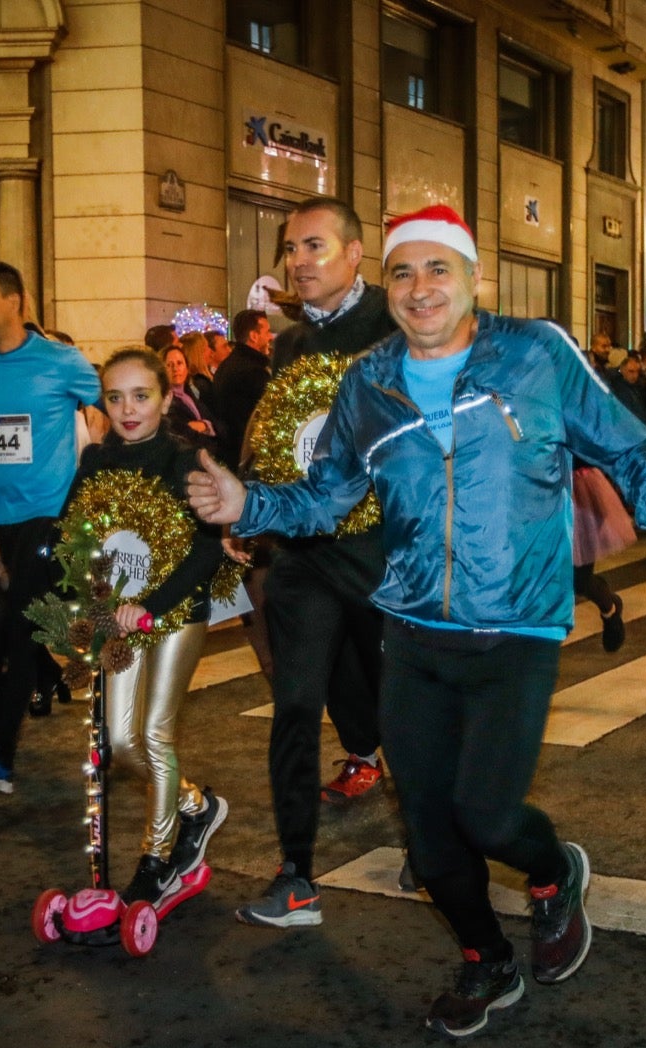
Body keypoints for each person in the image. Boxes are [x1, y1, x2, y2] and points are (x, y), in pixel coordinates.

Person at [187, 203, 646, 1037]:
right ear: (385, 285)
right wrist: (248, 500)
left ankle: (552, 875)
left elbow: (622, 443)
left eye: (439, 268)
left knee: (489, 816)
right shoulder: (370, 381)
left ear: (476, 278)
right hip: (412, 632)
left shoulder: (535, 353)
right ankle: (486, 959)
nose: (420, 287)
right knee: (432, 844)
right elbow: (328, 493)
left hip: (516, 627)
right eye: (403, 272)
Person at [232, 196, 400, 929]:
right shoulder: (289, 344)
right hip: (305, 552)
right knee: (296, 706)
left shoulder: (393, 323)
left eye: (314, 247)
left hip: (381, 549)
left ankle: (434, 836)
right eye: (291, 250)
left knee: (403, 704)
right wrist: (249, 510)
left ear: (356, 253)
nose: (298, 262)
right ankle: (295, 874)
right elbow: (279, 438)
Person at [65, 347, 228, 903]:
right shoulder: (95, 463)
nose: (128, 409)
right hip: (119, 617)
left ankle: (156, 860)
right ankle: (197, 807)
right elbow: (75, 538)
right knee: (117, 742)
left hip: (177, 611)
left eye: (141, 395)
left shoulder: (185, 459)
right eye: (115, 397)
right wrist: (82, 601)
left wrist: (152, 605)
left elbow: (208, 550)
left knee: (155, 734)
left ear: (165, 398)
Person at [0, 260, 102, 795]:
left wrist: (98, 465)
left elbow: (103, 404)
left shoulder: (61, 360)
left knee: (16, 630)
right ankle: (83, 687)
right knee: (37, 625)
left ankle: (1, 760)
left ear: (17, 302)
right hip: (7, 516)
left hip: (52, 515)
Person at [212, 308, 274, 462]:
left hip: (229, 451)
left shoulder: (229, 364)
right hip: (246, 454)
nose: (270, 337)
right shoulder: (253, 371)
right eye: (267, 332)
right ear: (253, 336)